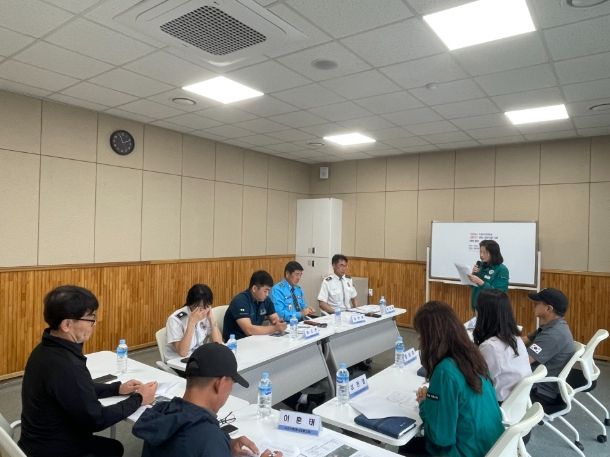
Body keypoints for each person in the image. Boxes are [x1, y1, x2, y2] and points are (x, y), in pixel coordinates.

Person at [19, 285, 157, 457]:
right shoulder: (66, 365)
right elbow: (96, 419)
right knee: (113, 449)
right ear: (67, 324)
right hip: (54, 447)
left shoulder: (44, 349)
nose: (94, 324)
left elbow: (77, 390)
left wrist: (117, 389)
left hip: (38, 440)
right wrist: (139, 399)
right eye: (91, 318)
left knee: (112, 447)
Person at [133, 343, 282, 457]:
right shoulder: (208, 438)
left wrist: (226, 446)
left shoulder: (161, 411)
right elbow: (202, 443)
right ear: (220, 384)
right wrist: (217, 447)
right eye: (231, 384)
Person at [399, 301, 504, 457]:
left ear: (432, 336)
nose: (419, 338)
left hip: (465, 452)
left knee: (406, 447)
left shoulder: (444, 372)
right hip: (493, 447)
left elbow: (440, 438)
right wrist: (433, 399)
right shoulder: (472, 357)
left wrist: (424, 405)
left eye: (421, 333)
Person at [473, 289, 532, 403]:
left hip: (497, 404)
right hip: (516, 403)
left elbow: (478, 380)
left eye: (477, 308)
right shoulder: (516, 339)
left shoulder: (490, 347)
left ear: (484, 314)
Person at [523, 288, 574, 411]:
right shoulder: (552, 325)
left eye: (537, 304)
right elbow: (526, 339)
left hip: (539, 391)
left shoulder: (553, 335)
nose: (534, 306)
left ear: (548, 308)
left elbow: (523, 362)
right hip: (535, 380)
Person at [222, 270, 287, 341]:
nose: (267, 294)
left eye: (269, 291)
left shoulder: (266, 300)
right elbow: (249, 330)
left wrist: (277, 322)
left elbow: (274, 318)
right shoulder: (240, 301)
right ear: (254, 288)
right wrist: (275, 328)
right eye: (265, 291)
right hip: (236, 342)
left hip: (254, 339)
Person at [165, 284, 222, 361]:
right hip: (177, 360)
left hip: (197, 357)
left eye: (207, 306)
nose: (204, 311)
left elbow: (219, 345)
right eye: (201, 308)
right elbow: (183, 353)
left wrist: (212, 320)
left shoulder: (206, 314)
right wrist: (191, 323)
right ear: (191, 304)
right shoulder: (175, 319)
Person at [468, 239, 509, 311]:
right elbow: (473, 287)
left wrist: (480, 282)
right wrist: (473, 276)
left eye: (485, 252)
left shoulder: (502, 269)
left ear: (493, 253)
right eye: (480, 252)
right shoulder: (481, 266)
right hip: (477, 308)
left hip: (492, 310)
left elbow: (499, 293)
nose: (481, 255)